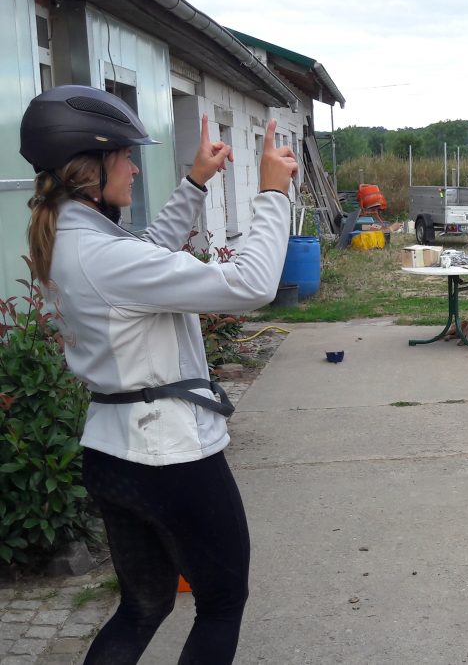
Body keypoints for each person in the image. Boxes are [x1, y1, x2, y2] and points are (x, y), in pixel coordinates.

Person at [19, 84, 298, 664]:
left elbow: (146, 254)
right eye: (124, 158)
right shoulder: (102, 255)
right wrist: (272, 192)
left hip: (112, 451)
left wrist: (195, 184)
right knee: (223, 602)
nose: (132, 171)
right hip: (169, 457)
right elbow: (251, 285)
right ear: (87, 171)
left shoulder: (77, 240)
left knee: (143, 607)